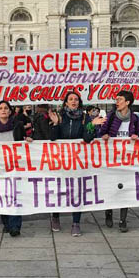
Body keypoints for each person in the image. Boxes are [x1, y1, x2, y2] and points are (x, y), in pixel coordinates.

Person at [47, 92, 96, 236]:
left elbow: (87, 139)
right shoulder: (59, 116)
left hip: (77, 161)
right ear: (66, 103)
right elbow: (52, 138)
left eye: (76, 99)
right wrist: (55, 124)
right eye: (70, 99)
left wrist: (91, 126)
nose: (73, 101)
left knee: (77, 191)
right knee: (58, 189)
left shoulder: (85, 118)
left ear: (79, 102)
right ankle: (56, 217)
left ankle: (76, 223)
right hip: (60, 160)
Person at [98, 90, 139, 232]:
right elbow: (100, 133)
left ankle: (123, 220)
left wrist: (137, 137)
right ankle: (109, 212)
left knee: (126, 188)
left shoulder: (134, 119)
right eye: (116, 99)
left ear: (128, 102)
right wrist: (103, 135)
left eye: (120, 99)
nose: (117, 102)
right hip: (111, 159)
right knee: (111, 187)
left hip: (127, 160)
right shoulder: (111, 116)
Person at [0, 99, 30, 237]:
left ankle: (15, 226)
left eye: (6, 108)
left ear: (10, 111)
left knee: (15, 196)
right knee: (3, 196)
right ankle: (6, 223)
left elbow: (22, 140)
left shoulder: (18, 125)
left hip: (15, 167)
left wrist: (27, 140)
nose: (3, 110)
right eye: (1, 108)